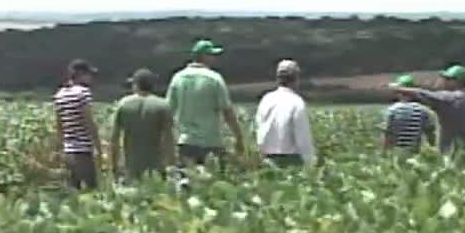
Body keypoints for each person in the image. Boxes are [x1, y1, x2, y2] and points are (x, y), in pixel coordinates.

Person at [165, 39, 245, 170]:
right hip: (211, 142)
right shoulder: (214, 78)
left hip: (186, 142)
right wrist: (238, 137)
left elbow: (168, 111)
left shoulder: (177, 78)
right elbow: (227, 111)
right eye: (212, 55)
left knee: (187, 182)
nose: (214, 59)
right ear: (205, 57)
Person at [390, 65, 465, 161]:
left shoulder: (448, 99)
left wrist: (399, 89)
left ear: (456, 81)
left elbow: (421, 93)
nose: (444, 82)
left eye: (447, 79)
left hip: (449, 157)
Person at [109, 68, 175, 181]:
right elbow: (168, 138)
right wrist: (171, 165)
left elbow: (114, 138)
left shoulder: (124, 104)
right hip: (156, 166)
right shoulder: (163, 106)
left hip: (130, 165)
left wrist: (114, 166)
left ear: (135, 85)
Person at [53, 59, 103, 190]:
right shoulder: (83, 93)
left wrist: (59, 150)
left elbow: (59, 126)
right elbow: (89, 122)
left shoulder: (59, 95)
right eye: (89, 75)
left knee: (74, 191)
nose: (91, 78)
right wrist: (98, 147)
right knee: (91, 191)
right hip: (83, 151)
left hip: (68, 150)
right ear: (81, 75)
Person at [255, 60, 315, 167]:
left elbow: (258, 127)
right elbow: (302, 137)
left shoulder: (267, 99)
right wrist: (309, 161)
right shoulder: (296, 102)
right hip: (291, 160)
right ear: (296, 79)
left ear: (278, 79)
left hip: (268, 159)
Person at [382, 74, 436, 153]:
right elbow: (430, 135)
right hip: (415, 153)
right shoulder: (423, 111)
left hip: (396, 154)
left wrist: (384, 153)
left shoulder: (392, 110)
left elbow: (387, 135)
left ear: (399, 92)